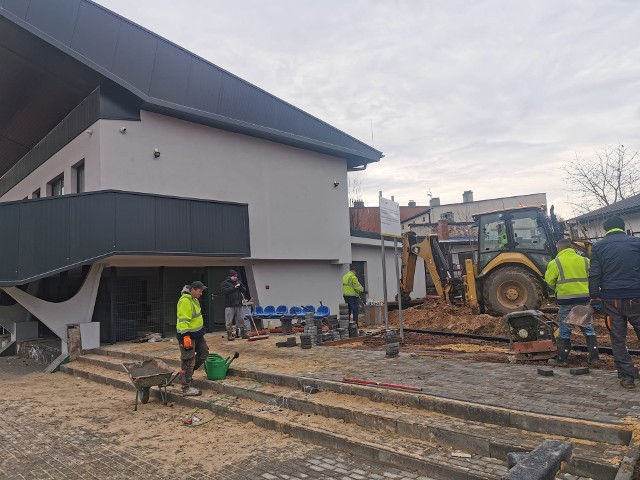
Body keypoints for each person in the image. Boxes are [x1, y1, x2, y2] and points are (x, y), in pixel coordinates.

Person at [589, 215, 640, 389]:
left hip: (612, 300)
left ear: (606, 230)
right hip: (636, 297)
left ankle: (627, 377)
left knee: (618, 338)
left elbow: (595, 274)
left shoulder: (598, 247)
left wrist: (594, 297)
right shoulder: (636, 242)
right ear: (622, 227)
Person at [544, 239, 599, 367]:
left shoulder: (555, 262)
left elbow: (549, 281)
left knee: (565, 329)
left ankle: (562, 359)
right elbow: (593, 278)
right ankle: (594, 358)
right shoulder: (585, 261)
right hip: (584, 300)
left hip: (566, 301)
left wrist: (558, 290)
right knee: (588, 328)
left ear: (559, 249)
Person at [176, 281, 209, 396]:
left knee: (204, 353)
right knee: (188, 360)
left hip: (197, 334)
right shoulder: (185, 301)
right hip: (187, 336)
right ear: (193, 290)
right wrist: (185, 336)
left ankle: (186, 376)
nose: (201, 294)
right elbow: (183, 320)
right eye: (199, 291)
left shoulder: (194, 299)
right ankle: (186, 387)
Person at [221, 270, 248, 341]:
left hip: (239, 304)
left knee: (241, 320)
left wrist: (240, 286)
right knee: (229, 321)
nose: (235, 278)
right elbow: (225, 291)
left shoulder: (238, 282)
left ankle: (244, 333)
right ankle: (230, 335)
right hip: (229, 305)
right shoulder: (225, 283)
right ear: (230, 276)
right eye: (234, 276)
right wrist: (234, 287)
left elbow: (244, 290)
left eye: (236, 276)